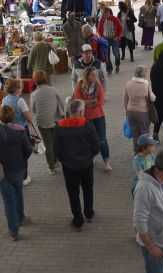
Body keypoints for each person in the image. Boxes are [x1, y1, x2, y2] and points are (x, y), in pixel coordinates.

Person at [0, 104, 32, 241]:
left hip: (1, 172)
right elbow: (28, 150)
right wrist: (22, 159)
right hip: (18, 169)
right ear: (13, 116)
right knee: (18, 192)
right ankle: (21, 217)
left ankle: (13, 231)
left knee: (7, 200)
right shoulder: (21, 131)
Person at [54, 99, 100, 231]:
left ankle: (78, 219)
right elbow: (96, 145)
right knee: (88, 189)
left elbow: (57, 149)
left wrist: (64, 160)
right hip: (86, 164)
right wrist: (90, 157)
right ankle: (89, 212)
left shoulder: (59, 126)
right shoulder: (87, 125)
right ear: (80, 112)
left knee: (73, 193)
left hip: (69, 167)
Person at [73, 66, 111, 171]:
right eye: (93, 75)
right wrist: (91, 102)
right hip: (85, 118)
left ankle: (106, 162)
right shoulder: (79, 86)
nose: (95, 77)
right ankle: (90, 159)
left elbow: (101, 101)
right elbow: (78, 101)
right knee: (88, 140)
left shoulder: (98, 86)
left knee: (102, 139)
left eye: (96, 75)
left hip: (99, 116)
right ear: (87, 75)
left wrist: (87, 103)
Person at [28, 69, 65, 175]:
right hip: (55, 119)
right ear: (46, 78)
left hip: (42, 122)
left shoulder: (34, 94)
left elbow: (34, 109)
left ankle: (51, 167)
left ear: (35, 81)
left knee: (48, 144)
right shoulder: (53, 90)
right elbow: (61, 103)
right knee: (56, 141)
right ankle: (57, 160)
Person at [125, 65, 156, 149]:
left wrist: (127, 112)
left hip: (131, 112)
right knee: (144, 133)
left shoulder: (128, 84)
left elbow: (125, 100)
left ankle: (136, 151)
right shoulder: (146, 85)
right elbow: (152, 98)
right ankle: (144, 151)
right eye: (146, 74)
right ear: (143, 75)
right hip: (143, 113)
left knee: (135, 134)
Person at [97, 7, 123, 74]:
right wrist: (101, 37)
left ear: (109, 13)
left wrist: (117, 37)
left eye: (105, 14)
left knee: (116, 53)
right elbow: (99, 30)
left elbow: (120, 28)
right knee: (106, 55)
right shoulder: (102, 20)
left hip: (115, 39)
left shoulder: (115, 19)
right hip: (106, 39)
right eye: (103, 14)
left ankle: (117, 65)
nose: (104, 15)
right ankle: (109, 69)